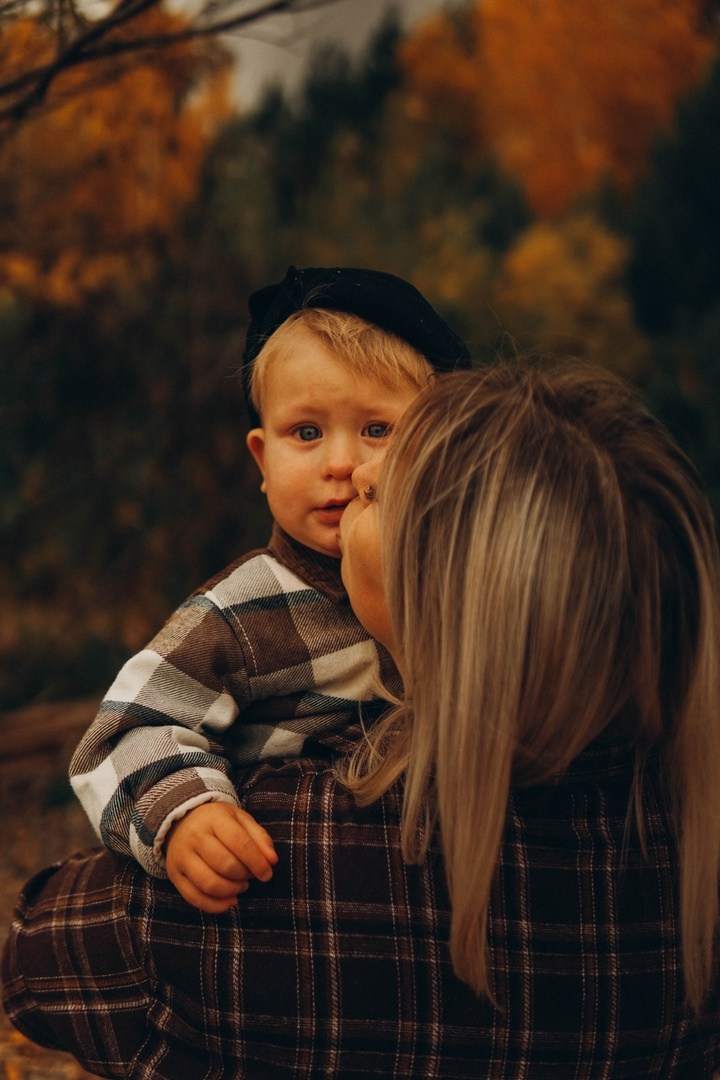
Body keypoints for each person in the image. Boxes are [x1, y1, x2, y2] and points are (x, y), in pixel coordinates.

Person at [4, 363, 720, 1078]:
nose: (352, 476)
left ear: (439, 589)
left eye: (381, 488)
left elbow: (32, 961)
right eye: (310, 433)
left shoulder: (275, 859)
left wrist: (188, 810)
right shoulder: (691, 865)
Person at [67, 265, 470, 913]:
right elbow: (124, 733)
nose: (339, 463)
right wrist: (187, 815)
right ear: (262, 458)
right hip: (284, 896)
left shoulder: (469, 587)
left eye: (377, 430)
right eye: (306, 433)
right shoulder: (241, 611)